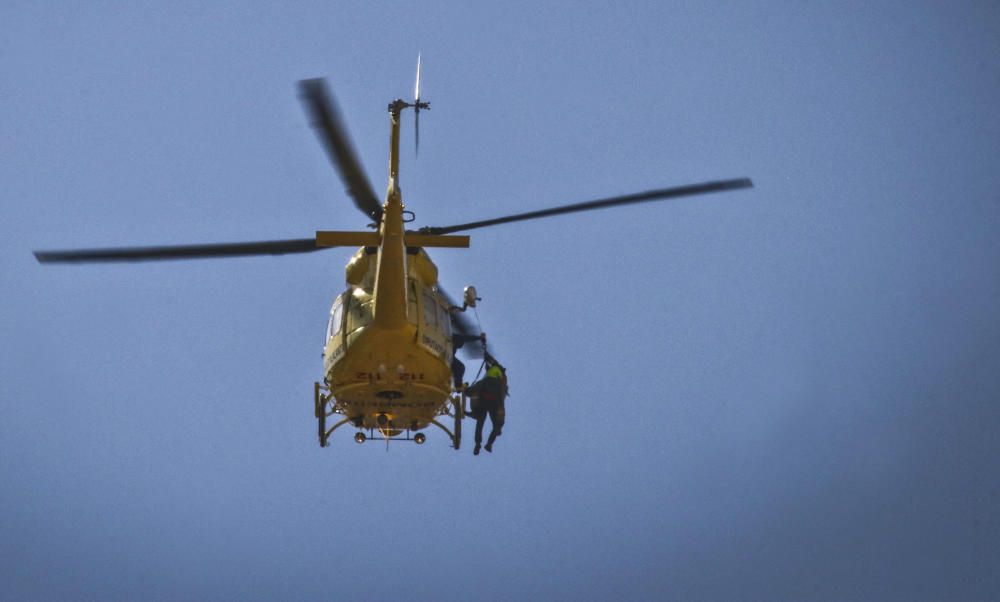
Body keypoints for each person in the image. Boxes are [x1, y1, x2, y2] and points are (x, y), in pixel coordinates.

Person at [465, 353, 507, 455]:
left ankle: (479, 444)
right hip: (494, 401)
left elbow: (475, 389)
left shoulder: (494, 372)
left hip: (486, 396)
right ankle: (487, 444)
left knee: (480, 420)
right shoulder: (502, 381)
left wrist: (466, 390)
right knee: (493, 423)